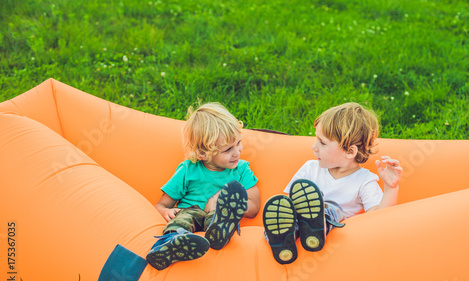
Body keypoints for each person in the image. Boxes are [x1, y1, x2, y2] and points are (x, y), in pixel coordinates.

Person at [263, 102, 403, 264]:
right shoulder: (310, 169)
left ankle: (318, 224)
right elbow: (286, 206)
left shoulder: (364, 181)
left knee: (329, 209)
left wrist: (391, 188)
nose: (314, 147)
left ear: (350, 152)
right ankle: (282, 241)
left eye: (322, 143)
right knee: (283, 207)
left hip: (334, 233)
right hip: (296, 225)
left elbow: (378, 218)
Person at [147, 102, 260, 270]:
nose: (237, 151)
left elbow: (254, 207)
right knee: (183, 220)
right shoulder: (188, 170)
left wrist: (230, 203)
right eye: (228, 149)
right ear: (203, 154)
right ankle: (172, 245)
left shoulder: (242, 169)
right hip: (189, 211)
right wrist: (166, 212)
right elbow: (161, 204)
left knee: (219, 217)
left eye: (238, 142)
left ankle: (218, 232)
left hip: (220, 213)